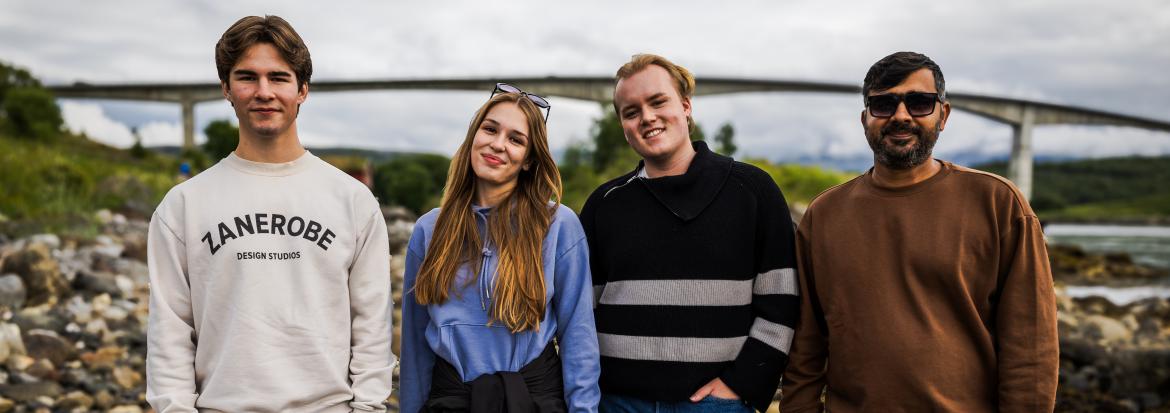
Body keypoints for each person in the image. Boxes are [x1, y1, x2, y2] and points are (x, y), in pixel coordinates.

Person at [780, 51, 1059, 412]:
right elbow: (805, 345)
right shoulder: (824, 215)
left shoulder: (997, 203)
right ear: (865, 118)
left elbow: (1031, 343)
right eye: (883, 104)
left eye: (919, 102)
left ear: (943, 114)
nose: (900, 116)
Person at [145, 15, 394, 412]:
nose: (263, 92)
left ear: (302, 90)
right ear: (226, 89)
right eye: (247, 78)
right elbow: (169, 334)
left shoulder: (353, 201)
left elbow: (372, 327)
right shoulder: (183, 207)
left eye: (278, 78)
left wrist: (367, 407)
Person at [580, 54, 799, 413]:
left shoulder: (753, 191)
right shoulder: (605, 204)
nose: (647, 117)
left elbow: (782, 303)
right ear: (623, 125)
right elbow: (580, 313)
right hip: (617, 403)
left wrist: (741, 384)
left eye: (658, 101)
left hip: (716, 404)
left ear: (685, 107)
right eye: (630, 111)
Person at [400, 85, 600, 413]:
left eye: (516, 139)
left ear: (529, 160)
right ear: (473, 136)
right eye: (490, 129)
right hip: (450, 403)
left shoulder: (559, 225)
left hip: (533, 402)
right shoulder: (428, 230)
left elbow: (578, 338)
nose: (498, 144)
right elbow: (414, 348)